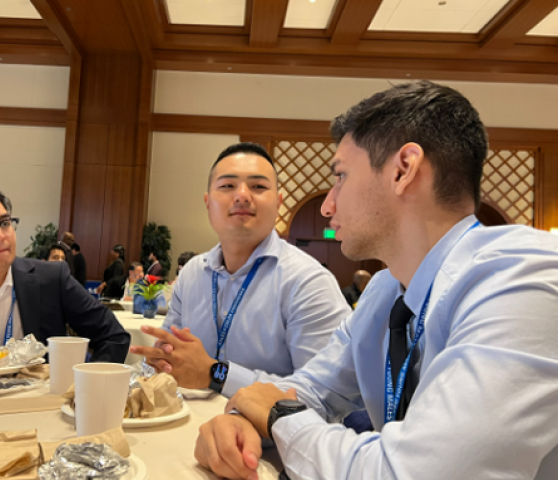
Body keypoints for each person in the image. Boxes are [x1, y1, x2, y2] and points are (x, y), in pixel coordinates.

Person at [194, 81, 558, 480]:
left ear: (404, 170)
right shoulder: (387, 291)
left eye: (341, 176)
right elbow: (312, 389)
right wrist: (242, 420)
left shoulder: (524, 278)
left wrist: (278, 416)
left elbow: (415, 473)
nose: (329, 204)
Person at [130, 142, 350, 399]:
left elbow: (325, 394)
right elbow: (166, 357)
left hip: (268, 438)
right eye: (227, 186)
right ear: (208, 202)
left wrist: (215, 374)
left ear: (278, 202)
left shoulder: (307, 282)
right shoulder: (191, 274)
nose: (242, 195)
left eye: (258, 186)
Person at [0, 181, 131, 365]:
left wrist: (83, 390)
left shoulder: (52, 280)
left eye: (4, 223)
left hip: (41, 409)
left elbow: (113, 337)